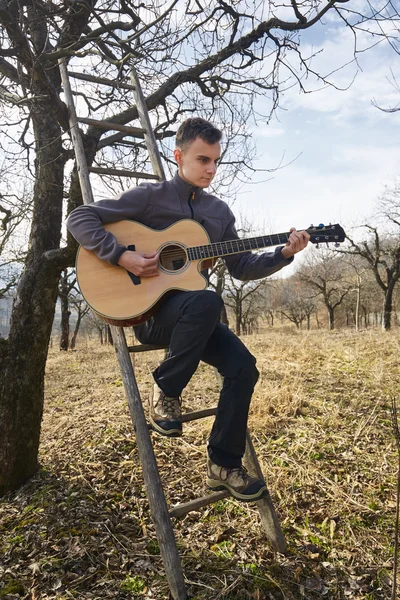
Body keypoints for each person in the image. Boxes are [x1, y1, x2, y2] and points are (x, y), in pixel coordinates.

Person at [67, 117, 309, 502]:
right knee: (208, 301)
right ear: (179, 156)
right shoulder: (151, 196)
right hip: (152, 316)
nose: (211, 169)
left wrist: (283, 253)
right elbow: (80, 218)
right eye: (202, 160)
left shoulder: (218, 212)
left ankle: (223, 465)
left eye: (216, 161)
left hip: (195, 315)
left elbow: (242, 266)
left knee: (244, 367)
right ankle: (166, 389)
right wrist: (122, 256)